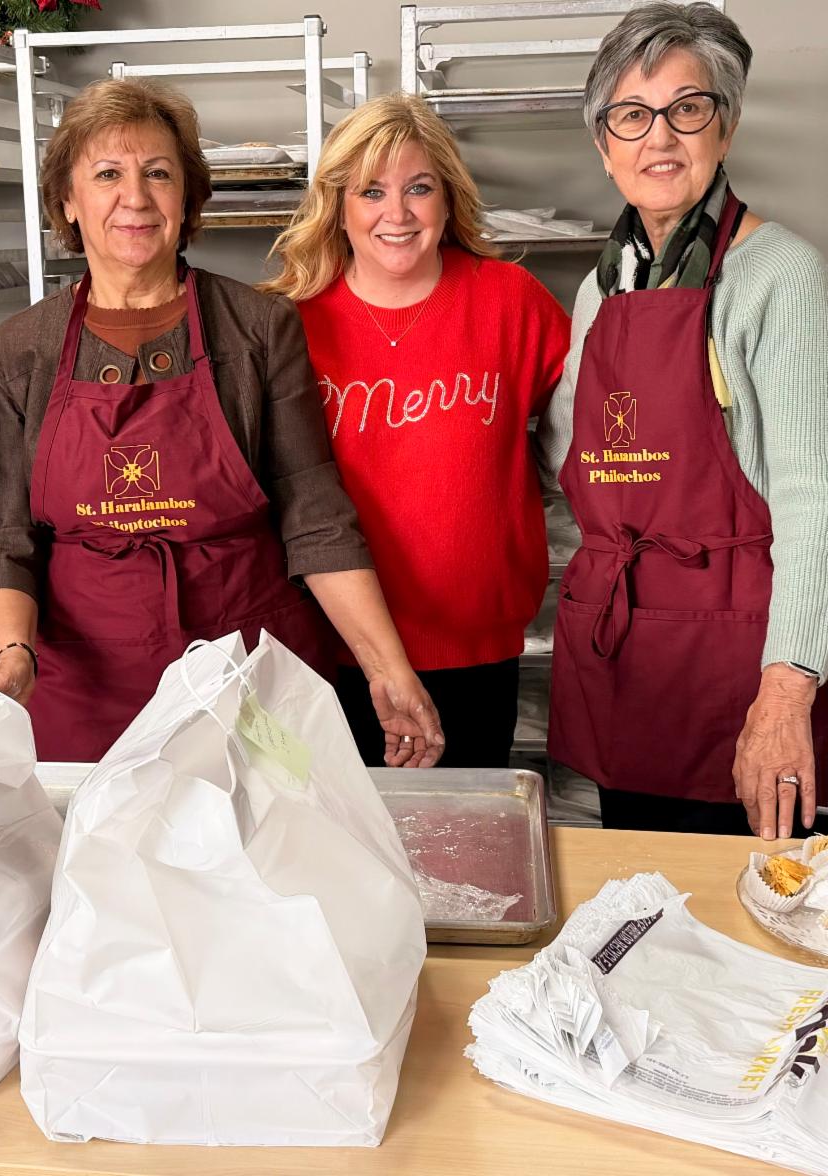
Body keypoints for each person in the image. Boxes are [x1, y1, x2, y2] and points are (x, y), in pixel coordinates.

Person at [0, 77, 443, 766]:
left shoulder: (258, 327)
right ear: (67, 200)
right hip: (88, 690)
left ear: (189, 196)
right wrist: (14, 653)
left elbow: (314, 517)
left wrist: (386, 669)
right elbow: (5, 538)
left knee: (267, 829)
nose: (136, 197)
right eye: (108, 174)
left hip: (248, 674)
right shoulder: (17, 351)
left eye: (159, 173)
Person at [536, 2, 828, 837]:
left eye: (686, 109)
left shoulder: (781, 274)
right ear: (604, 145)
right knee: (635, 895)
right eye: (631, 115)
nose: (659, 138)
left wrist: (785, 693)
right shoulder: (600, 290)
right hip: (626, 657)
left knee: (748, 901)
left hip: (739, 661)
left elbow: (813, 499)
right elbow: (570, 455)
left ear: (724, 128)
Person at [263, 94, 570, 769]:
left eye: (419, 188)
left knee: (464, 831)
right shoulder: (287, 324)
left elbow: (595, 431)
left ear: (449, 199)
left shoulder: (510, 301)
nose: (397, 213)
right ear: (337, 206)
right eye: (371, 191)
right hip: (330, 649)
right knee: (342, 830)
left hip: (479, 651)